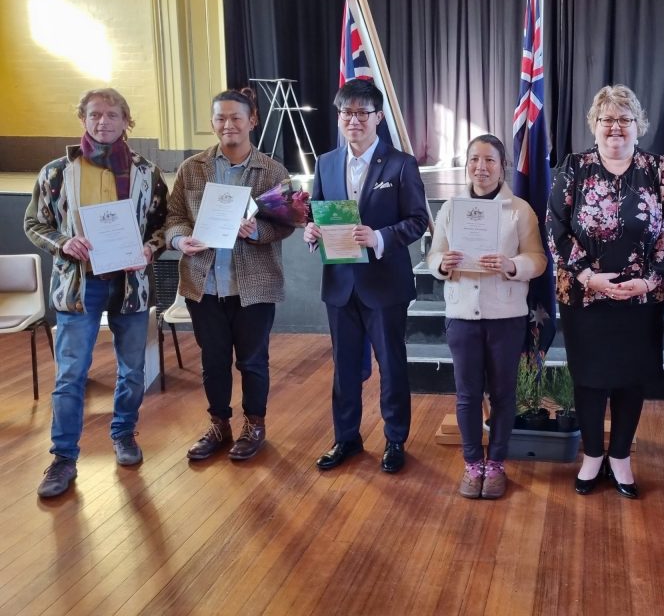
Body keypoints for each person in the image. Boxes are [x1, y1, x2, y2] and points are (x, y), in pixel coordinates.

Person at [25, 88, 168, 498]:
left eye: (110, 114)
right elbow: (35, 223)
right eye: (94, 114)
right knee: (70, 375)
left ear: (126, 121)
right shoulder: (56, 172)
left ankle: (123, 434)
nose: (102, 121)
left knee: (133, 370)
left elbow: (162, 225)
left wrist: (148, 248)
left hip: (129, 287)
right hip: (78, 287)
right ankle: (63, 458)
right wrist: (62, 244)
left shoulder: (146, 173)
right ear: (83, 119)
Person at [547, 84, 664, 499]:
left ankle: (620, 456)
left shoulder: (659, 170)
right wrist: (588, 276)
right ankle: (592, 456)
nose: (616, 127)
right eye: (607, 119)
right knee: (588, 378)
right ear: (595, 125)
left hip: (641, 297)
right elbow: (556, 227)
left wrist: (648, 280)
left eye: (625, 119)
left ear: (638, 125)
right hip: (584, 295)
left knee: (631, 378)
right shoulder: (574, 166)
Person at [305, 79, 430, 474]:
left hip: (384, 284)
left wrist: (379, 237)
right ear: (338, 117)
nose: (353, 120)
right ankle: (346, 437)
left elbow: (417, 221)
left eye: (362, 112)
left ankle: (395, 439)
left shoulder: (400, 164)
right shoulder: (325, 163)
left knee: (391, 365)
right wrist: (311, 232)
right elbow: (316, 212)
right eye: (346, 112)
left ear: (378, 117)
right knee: (343, 368)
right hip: (340, 284)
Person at [164, 89, 294, 462]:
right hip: (203, 282)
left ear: (252, 120)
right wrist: (178, 239)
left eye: (236, 117)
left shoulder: (272, 171)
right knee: (213, 360)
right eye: (220, 118)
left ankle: (255, 424)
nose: (228, 124)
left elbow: (285, 225)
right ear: (212, 123)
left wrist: (257, 232)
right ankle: (219, 424)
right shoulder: (193, 168)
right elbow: (174, 216)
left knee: (253, 361)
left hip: (254, 286)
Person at [426, 135, 548, 499]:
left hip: (505, 315)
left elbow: (538, 260)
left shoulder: (520, 209)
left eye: (490, 160)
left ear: (502, 166)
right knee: (466, 394)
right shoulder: (450, 207)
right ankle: (472, 464)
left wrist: (512, 265)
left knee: (503, 394)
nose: (481, 167)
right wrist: (442, 265)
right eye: (474, 160)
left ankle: (495, 464)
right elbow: (434, 256)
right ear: (466, 164)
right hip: (462, 315)